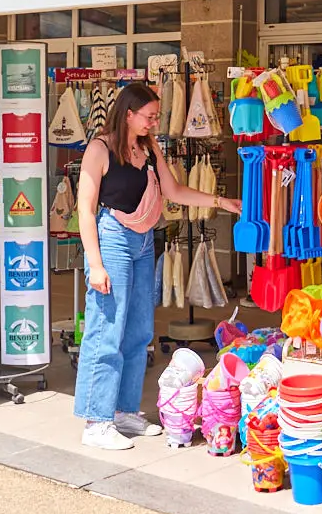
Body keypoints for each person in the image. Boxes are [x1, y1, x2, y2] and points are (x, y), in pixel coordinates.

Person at [76, 82, 240, 451]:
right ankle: (96, 420)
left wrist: (220, 201)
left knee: (139, 331)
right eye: (149, 116)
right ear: (128, 114)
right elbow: (85, 210)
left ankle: (124, 412)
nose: (154, 122)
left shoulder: (149, 148)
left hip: (144, 240)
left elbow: (174, 191)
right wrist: (95, 264)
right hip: (112, 238)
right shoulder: (100, 149)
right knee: (107, 329)